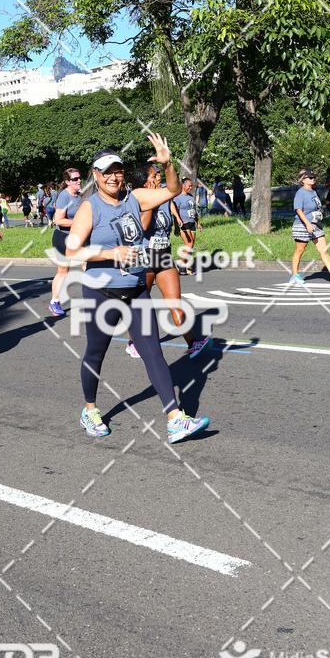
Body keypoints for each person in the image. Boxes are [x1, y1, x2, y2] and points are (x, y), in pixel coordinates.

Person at [66, 134, 210, 443]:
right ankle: (89, 409)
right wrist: (109, 254)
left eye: (117, 170)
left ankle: (174, 419)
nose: (113, 177)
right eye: (106, 172)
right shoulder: (89, 208)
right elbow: (71, 252)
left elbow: (172, 190)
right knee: (95, 352)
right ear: (96, 175)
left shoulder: (136, 198)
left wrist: (168, 163)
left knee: (154, 352)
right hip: (101, 293)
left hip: (135, 290)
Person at [125, 163, 211, 361]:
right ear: (145, 182)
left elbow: (175, 196)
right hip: (144, 257)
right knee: (139, 305)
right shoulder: (137, 198)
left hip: (163, 256)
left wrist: (183, 230)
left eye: (158, 175)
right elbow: (143, 225)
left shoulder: (165, 197)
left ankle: (193, 342)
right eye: (155, 175)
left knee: (175, 302)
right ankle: (134, 342)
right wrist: (152, 203)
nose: (158, 178)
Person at [289, 168, 330, 286]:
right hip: (302, 225)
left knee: (324, 249)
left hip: (316, 225)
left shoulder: (313, 191)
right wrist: (307, 224)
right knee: (300, 250)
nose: (313, 179)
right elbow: (298, 210)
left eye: (313, 177)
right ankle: (295, 275)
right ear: (303, 180)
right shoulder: (300, 192)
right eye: (310, 178)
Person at [49, 168, 82, 317]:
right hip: (62, 237)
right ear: (68, 182)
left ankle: (97, 298)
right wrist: (79, 222)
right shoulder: (64, 196)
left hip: (77, 237)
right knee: (63, 271)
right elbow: (59, 220)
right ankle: (54, 301)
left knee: (88, 265)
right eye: (75, 179)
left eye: (79, 178)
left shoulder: (79, 195)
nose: (79, 181)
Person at [172, 177, 202, 276]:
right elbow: (174, 213)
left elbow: (194, 211)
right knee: (189, 244)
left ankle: (185, 267)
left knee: (191, 245)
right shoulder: (177, 198)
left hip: (192, 222)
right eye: (189, 186)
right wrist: (176, 226)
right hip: (183, 223)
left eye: (191, 186)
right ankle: (182, 265)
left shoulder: (190, 197)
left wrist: (198, 223)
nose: (190, 187)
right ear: (183, 185)